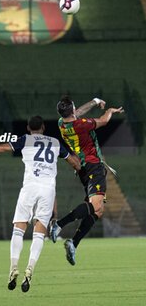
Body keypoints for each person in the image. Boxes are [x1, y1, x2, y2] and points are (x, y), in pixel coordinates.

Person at [0, 116, 80, 292]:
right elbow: (75, 164)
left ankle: (13, 267)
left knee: (18, 229)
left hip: (30, 187)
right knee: (39, 233)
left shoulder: (25, 140)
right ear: (44, 127)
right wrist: (83, 163)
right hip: (48, 190)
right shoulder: (55, 142)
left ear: (29, 128)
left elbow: (0, 148)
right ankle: (30, 269)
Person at [50, 96, 124, 265]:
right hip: (94, 166)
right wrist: (109, 111)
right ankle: (59, 224)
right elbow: (103, 121)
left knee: (98, 211)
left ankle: (73, 243)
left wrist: (95, 101)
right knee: (97, 206)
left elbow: (77, 112)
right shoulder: (81, 125)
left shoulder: (62, 123)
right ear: (72, 110)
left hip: (84, 168)